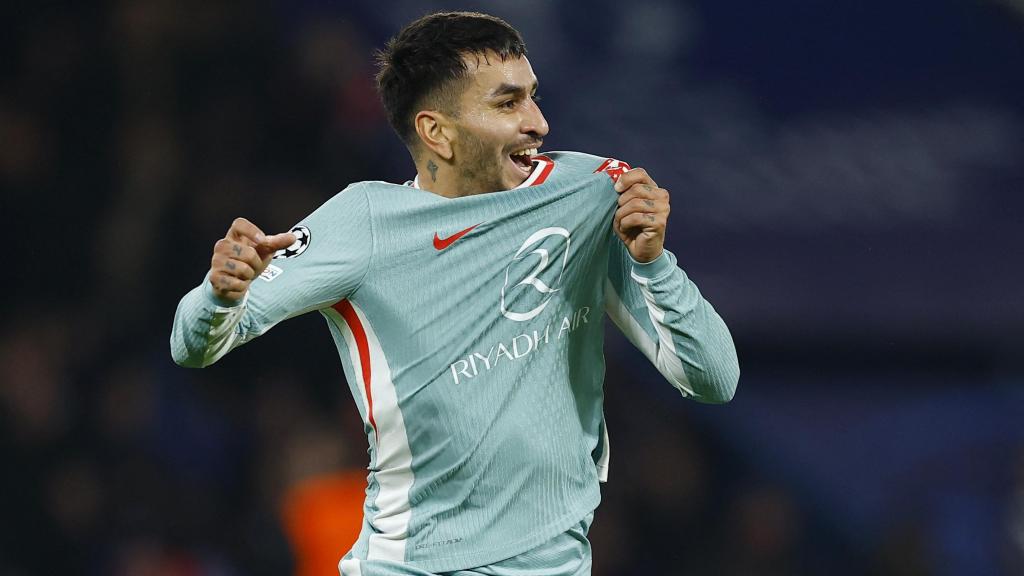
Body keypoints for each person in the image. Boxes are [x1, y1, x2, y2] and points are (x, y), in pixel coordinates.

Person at [171, 11, 739, 576]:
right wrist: (220, 294)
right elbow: (192, 344)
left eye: (533, 97)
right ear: (436, 131)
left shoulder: (590, 196)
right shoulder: (365, 222)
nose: (539, 122)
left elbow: (714, 378)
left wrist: (653, 265)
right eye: (507, 103)